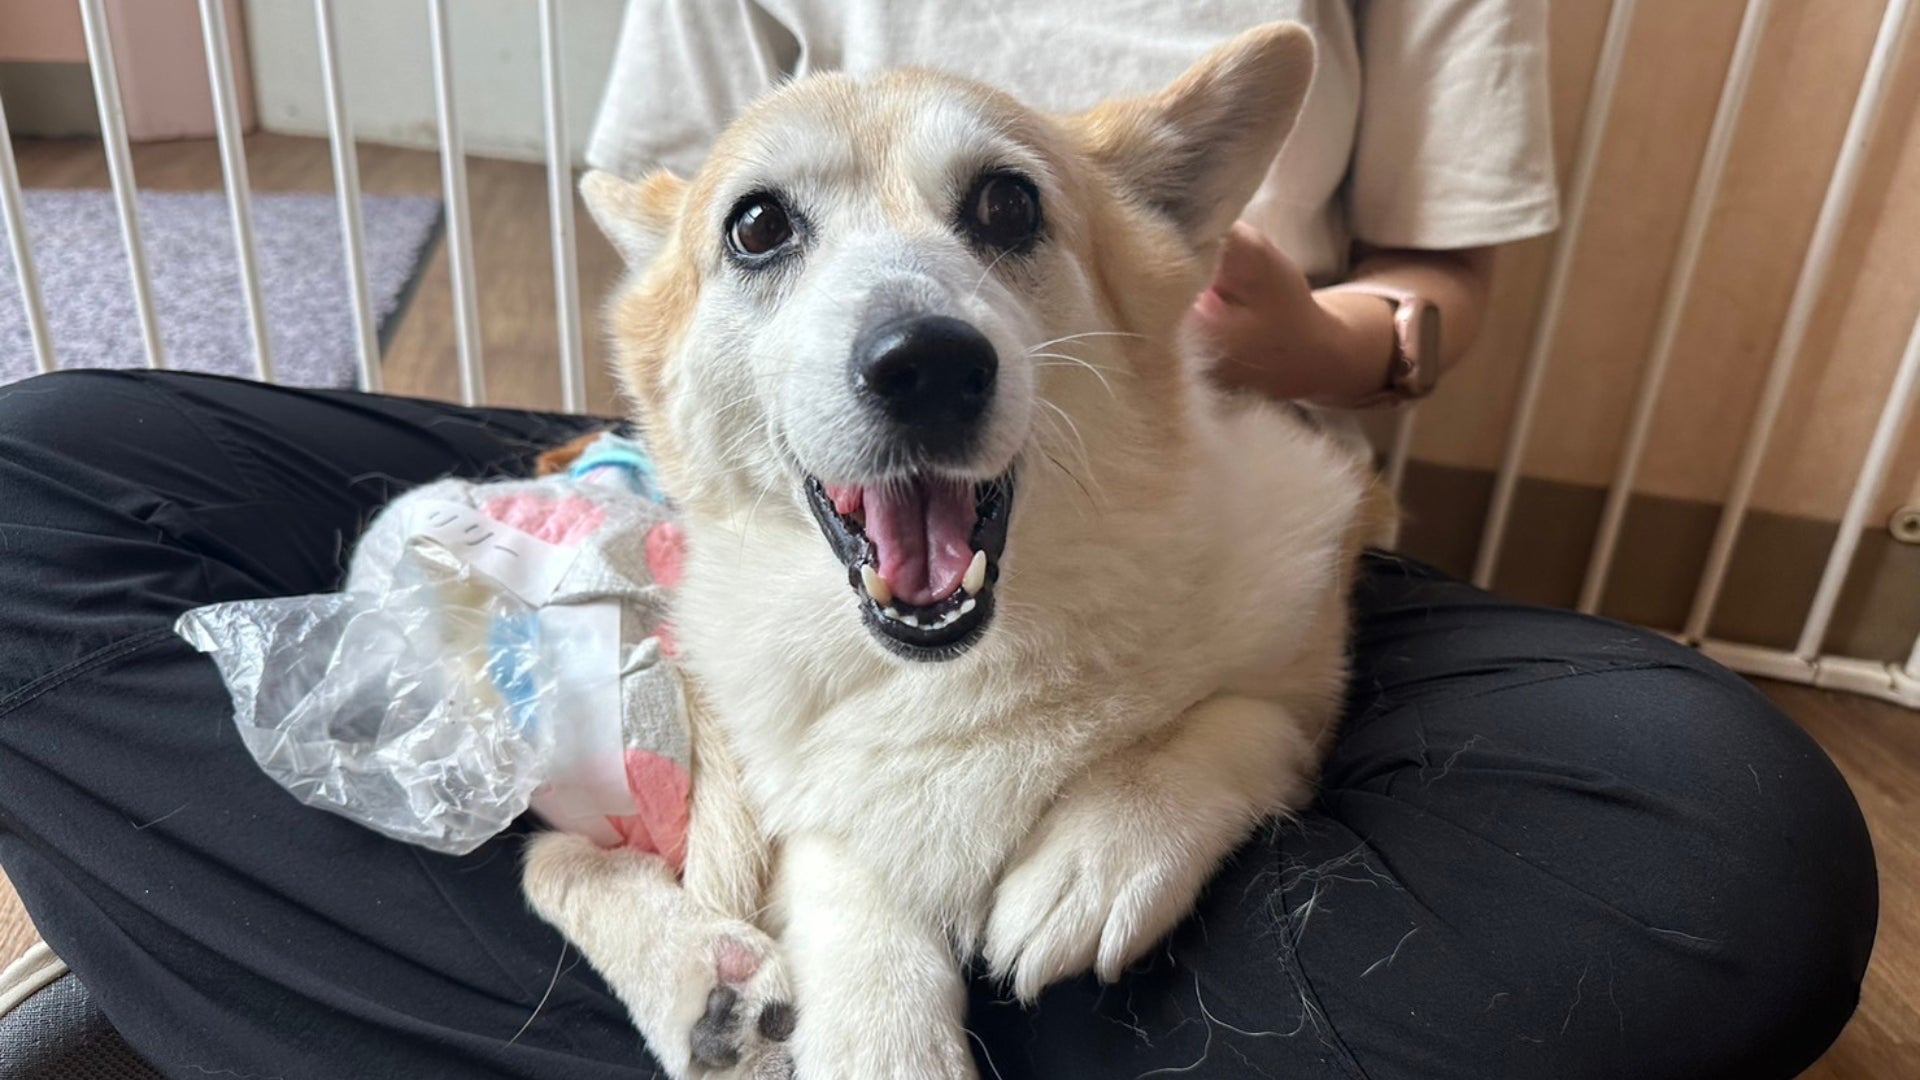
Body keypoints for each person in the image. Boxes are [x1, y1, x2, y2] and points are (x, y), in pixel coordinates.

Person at [0, 3, 1875, 1079]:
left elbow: (1437, 281)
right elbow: (670, 226)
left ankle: (298, 947)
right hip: (736, 488)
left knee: (1744, 861)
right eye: (773, 230)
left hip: (1180, 487)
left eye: (1001, 211)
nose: (918, 311)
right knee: (39, 472)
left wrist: (1324, 350)